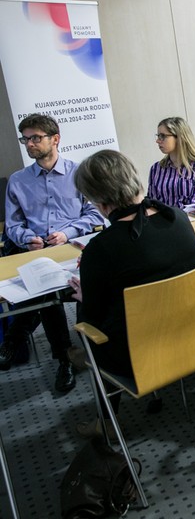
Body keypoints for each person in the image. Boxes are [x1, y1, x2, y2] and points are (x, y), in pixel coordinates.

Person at [67, 150, 195, 432]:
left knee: (87, 327)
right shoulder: (177, 217)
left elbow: (93, 320)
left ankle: (105, 423)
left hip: (140, 356)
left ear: (99, 202)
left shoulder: (102, 247)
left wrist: (86, 296)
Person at [0, 113, 103, 393]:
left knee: (47, 294)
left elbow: (95, 213)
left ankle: (17, 340)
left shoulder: (79, 172)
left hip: (73, 251)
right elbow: (13, 225)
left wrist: (67, 233)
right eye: (26, 139)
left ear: (55, 139)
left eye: (36, 138)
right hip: (36, 253)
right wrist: (27, 238)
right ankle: (64, 359)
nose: (30, 144)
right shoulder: (19, 181)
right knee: (47, 289)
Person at [147, 116, 195, 207]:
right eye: (158, 136)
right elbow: (152, 203)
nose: (158, 141)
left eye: (162, 136)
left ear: (179, 137)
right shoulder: (156, 168)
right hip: (161, 219)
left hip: (189, 220)